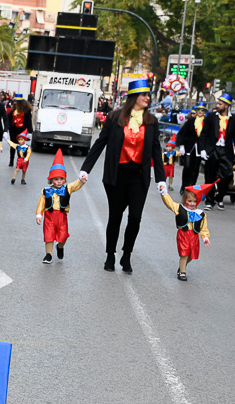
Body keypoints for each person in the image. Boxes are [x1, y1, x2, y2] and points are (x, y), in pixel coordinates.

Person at [80, 78, 167, 274]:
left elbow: (155, 151)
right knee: (115, 217)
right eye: (144, 94)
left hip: (138, 177)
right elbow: (100, 143)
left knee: (135, 218)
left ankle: (126, 255)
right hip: (117, 176)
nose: (147, 98)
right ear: (134, 97)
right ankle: (110, 254)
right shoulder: (114, 118)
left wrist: (161, 179)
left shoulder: (151, 122)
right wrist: (86, 168)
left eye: (148, 95)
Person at [36, 149, 84, 264]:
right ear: (51, 179)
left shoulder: (67, 188)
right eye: (56, 179)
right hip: (49, 217)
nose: (59, 181)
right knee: (49, 235)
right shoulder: (46, 191)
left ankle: (60, 246)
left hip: (62, 217)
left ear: (64, 179)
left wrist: (81, 180)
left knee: (63, 236)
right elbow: (41, 203)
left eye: (61, 179)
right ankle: (48, 254)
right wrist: (39, 214)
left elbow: (75, 185)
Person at [197, 92, 235, 211]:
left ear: (226, 106)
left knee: (227, 175)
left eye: (220, 104)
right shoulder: (211, 116)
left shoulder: (234, 119)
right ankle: (209, 201)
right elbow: (204, 134)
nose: (218, 105)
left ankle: (220, 197)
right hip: (213, 149)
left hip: (226, 151)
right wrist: (202, 150)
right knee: (210, 176)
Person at [161, 182, 213, 281]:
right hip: (183, 235)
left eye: (194, 201)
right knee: (184, 254)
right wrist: (164, 193)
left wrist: (205, 237)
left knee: (191, 256)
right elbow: (170, 204)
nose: (192, 203)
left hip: (194, 237)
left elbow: (203, 227)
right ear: (185, 200)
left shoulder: (201, 214)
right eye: (189, 201)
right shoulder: (179, 208)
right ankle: (182, 272)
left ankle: (182, 266)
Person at [176, 102, 207, 195]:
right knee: (187, 166)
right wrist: (181, 145)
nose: (200, 112)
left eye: (202, 110)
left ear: (205, 112)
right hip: (189, 147)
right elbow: (182, 133)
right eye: (198, 110)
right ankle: (184, 186)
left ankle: (191, 186)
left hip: (200, 149)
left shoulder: (206, 123)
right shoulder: (190, 121)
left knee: (195, 168)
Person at [7, 93, 32, 167]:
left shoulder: (26, 111)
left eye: (17, 101)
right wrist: (7, 128)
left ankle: (20, 160)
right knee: (12, 145)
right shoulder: (13, 110)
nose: (15, 102)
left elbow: (29, 121)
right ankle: (11, 161)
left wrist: (30, 131)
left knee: (20, 146)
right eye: (15, 101)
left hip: (21, 130)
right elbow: (9, 119)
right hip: (13, 130)